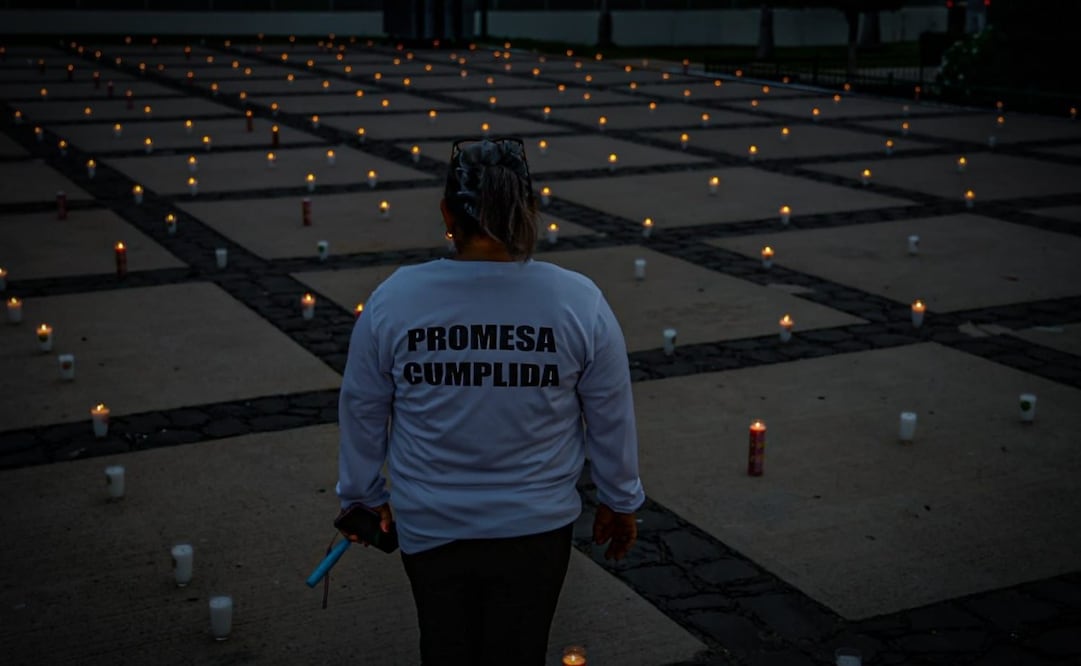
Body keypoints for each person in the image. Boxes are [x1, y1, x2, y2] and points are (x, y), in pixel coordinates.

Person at [336, 137, 645, 665]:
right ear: (530, 209)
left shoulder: (396, 298)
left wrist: (362, 495)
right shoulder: (578, 301)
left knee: (445, 648)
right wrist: (620, 501)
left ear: (446, 212)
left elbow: (363, 408)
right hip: (535, 528)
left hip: (430, 524)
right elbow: (610, 417)